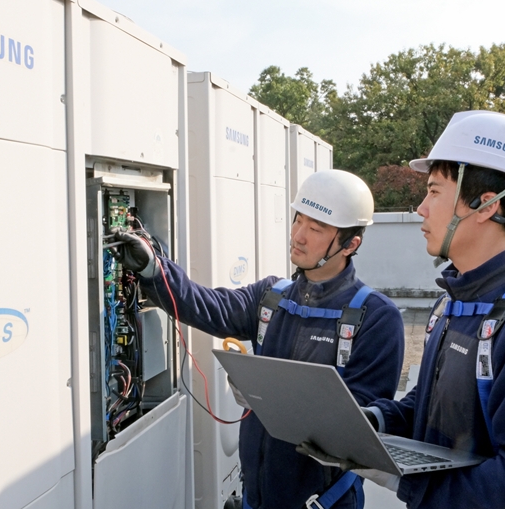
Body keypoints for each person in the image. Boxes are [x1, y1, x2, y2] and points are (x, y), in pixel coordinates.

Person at [303, 111, 505, 509]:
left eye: (434, 190)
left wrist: (401, 480)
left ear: (483, 206)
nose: (421, 208)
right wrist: (369, 424)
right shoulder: (455, 303)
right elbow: (431, 408)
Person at [113, 169, 406, 509]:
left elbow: (359, 426)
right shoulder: (272, 296)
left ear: (350, 244)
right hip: (257, 498)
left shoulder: (376, 317)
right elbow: (207, 306)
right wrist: (153, 269)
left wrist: (270, 396)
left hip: (322, 502)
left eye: (316, 229)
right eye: (299, 220)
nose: (298, 235)